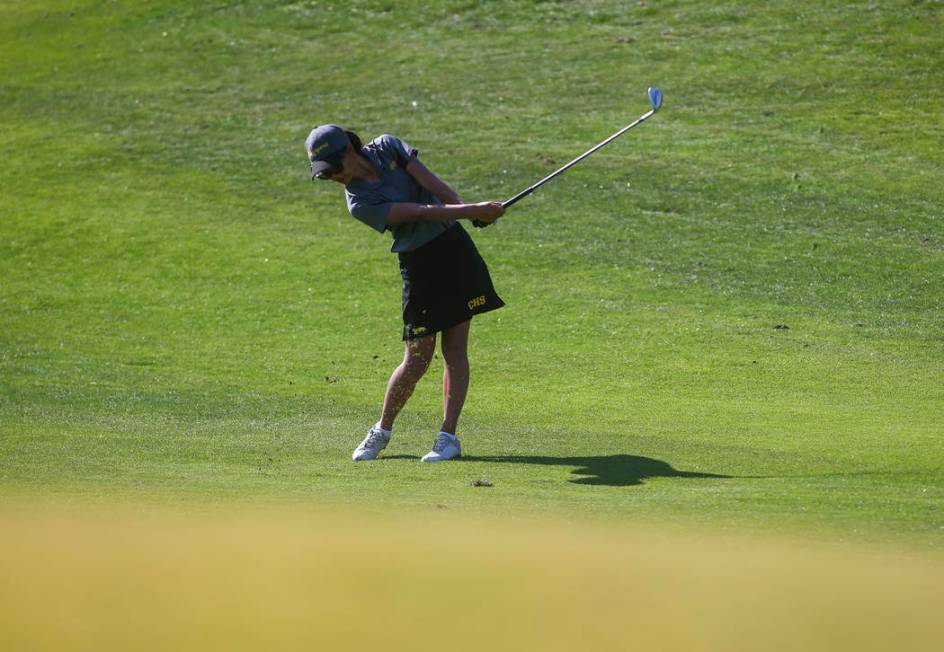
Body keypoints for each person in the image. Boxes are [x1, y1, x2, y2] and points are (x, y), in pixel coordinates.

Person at [306, 124, 505, 462]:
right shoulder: (359, 202)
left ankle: (448, 437)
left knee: (455, 350)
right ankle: (382, 430)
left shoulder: (387, 146)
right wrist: (472, 211)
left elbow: (434, 187)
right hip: (420, 266)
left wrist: (470, 211)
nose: (332, 178)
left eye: (332, 169)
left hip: (455, 252)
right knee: (416, 360)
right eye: (324, 175)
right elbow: (418, 212)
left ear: (348, 152)